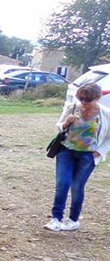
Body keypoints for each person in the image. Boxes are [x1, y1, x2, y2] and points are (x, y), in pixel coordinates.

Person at [44, 83, 110, 232]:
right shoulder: (72, 108)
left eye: (88, 99)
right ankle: (56, 219)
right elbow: (59, 125)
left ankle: (73, 220)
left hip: (88, 155)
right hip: (66, 151)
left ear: (98, 98)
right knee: (62, 184)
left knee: (77, 187)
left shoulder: (106, 114)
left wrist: (99, 152)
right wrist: (66, 123)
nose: (84, 102)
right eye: (81, 99)